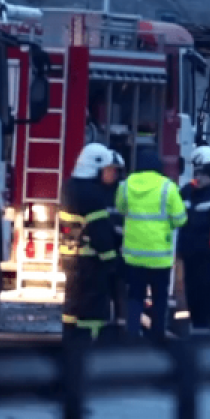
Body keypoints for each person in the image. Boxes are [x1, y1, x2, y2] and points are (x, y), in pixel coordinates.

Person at [116, 148, 187, 341]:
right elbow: (180, 219)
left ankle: (132, 333)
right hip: (159, 256)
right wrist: (167, 224)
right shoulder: (167, 187)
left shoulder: (126, 185)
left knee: (135, 296)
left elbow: (120, 208)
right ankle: (157, 335)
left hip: (134, 255)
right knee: (160, 298)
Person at [58, 143, 121, 342]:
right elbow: (99, 233)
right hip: (91, 263)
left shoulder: (69, 186)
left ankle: (69, 341)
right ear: (95, 168)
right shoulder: (92, 195)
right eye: (108, 170)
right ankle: (89, 347)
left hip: (70, 259)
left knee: (72, 306)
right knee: (92, 309)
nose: (111, 175)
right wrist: (112, 261)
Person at [178, 146, 210, 330]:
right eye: (197, 173)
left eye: (202, 173)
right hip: (190, 256)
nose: (199, 177)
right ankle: (198, 328)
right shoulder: (187, 192)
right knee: (193, 296)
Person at [105, 151, 127, 327]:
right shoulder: (96, 192)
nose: (113, 173)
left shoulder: (123, 192)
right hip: (101, 253)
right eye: (109, 170)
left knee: (120, 291)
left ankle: (121, 326)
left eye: (116, 170)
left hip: (119, 253)